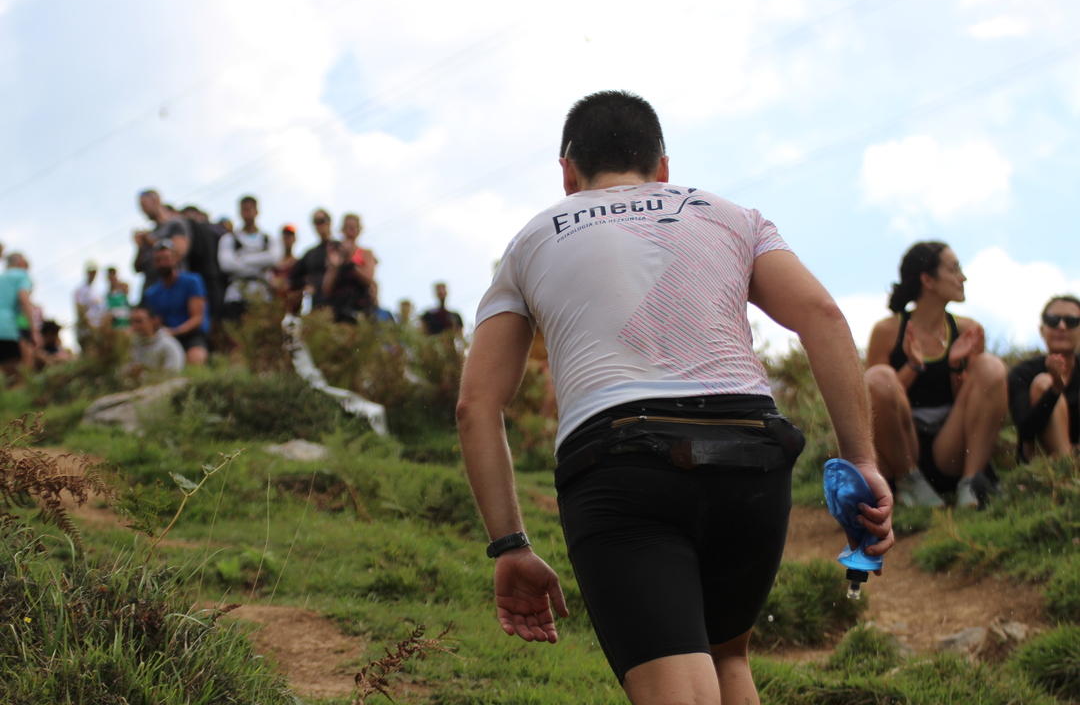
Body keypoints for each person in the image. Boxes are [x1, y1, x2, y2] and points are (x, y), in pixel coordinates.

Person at [456, 90, 894, 705]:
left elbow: (476, 406)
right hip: (752, 456)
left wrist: (510, 544)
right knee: (726, 656)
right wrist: (863, 461)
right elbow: (822, 316)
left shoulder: (532, 239)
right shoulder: (735, 217)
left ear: (567, 173)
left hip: (621, 466)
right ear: (663, 167)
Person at [864, 242, 1007, 509]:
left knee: (991, 366)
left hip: (951, 450)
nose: (962, 277)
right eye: (954, 269)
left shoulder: (967, 330)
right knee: (878, 376)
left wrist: (955, 367)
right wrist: (913, 366)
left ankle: (971, 483)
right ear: (928, 280)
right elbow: (875, 403)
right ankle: (909, 482)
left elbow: (973, 405)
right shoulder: (887, 331)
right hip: (903, 450)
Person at [1008, 295, 1080, 461]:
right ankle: (1067, 466)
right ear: (1042, 330)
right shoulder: (1022, 374)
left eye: (1071, 321)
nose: (1061, 327)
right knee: (1043, 382)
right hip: (1039, 462)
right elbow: (1025, 430)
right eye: (1053, 320)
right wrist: (1054, 390)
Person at [142, 240, 209, 366]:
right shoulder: (152, 293)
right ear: (154, 263)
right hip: (167, 339)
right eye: (158, 260)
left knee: (195, 360)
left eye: (166, 259)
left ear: (175, 258)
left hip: (192, 336)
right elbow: (156, 321)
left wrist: (175, 331)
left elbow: (197, 319)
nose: (163, 263)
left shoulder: (192, 282)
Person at [217, 195, 282, 320]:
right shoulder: (229, 239)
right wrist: (261, 263)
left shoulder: (268, 239)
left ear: (256, 211)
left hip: (262, 295)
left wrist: (242, 259)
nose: (246, 214)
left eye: (249, 209)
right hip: (235, 295)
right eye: (243, 210)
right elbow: (226, 264)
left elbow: (274, 258)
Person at [134, 189, 190, 297]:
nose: (143, 210)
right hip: (150, 292)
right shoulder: (151, 233)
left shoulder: (175, 224)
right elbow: (137, 268)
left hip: (173, 290)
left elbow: (179, 252)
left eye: (144, 205)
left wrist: (149, 241)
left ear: (156, 201)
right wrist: (140, 246)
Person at [323, 213, 376, 322]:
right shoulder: (335, 254)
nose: (350, 232)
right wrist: (336, 267)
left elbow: (368, 280)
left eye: (353, 228)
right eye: (347, 228)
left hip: (359, 307)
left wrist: (350, 263)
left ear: (358, 230)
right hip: (338, 308)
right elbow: (326, 289)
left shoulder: (366, 253)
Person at [288, 209, 338, 311]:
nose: (319, 225)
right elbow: (294, 276)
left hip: (337, 302)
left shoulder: (340, 248)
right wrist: (306, 285)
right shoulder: (311, 254)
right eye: (315, 222)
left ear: (329, 222)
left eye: (321, 221)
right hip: (317, 303)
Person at [0, 253, 38, 382]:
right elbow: (23, 298)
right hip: (7, 328)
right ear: (21, 262)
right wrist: (34, 331)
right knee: (17, 372)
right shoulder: (22, 275)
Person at [126, 305, 185, 376]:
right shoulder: (130, 345)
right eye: (131, 322)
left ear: (153, 321)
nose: (134, 326)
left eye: (139, 321)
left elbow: (172, 375)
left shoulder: (169, 345)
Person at [74, 260, 105, 349]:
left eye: (94, 272)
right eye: (91, 272)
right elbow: (80, 311)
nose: (92, 274)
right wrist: (90, 326)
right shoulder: (80, 290)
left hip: (98, 331)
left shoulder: (98, 292)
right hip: (86, 331)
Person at [269, 224, 298, 297]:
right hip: (276, 300)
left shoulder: (298, 264)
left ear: (294, 239)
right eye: (285, 237)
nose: (287, 240)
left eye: (289, 237)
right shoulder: (275, 264)